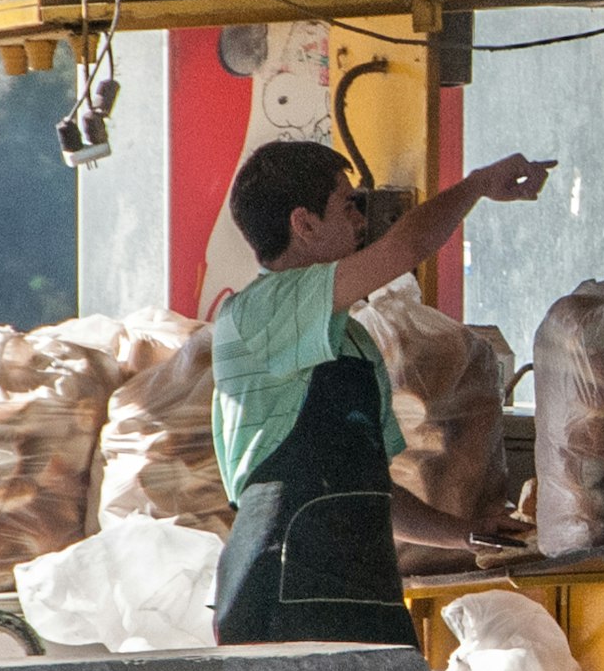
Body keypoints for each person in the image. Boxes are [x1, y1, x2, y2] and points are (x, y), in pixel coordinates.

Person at [208, 140, 552, 644]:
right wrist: (476, 184)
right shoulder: (257, 311)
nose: (361, 221)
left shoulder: (354, 340)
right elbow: (404, 251)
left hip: (363, 584)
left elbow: (372, 494)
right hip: (282, 580)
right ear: (303, 224)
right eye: (347, 205)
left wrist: (468, 533)